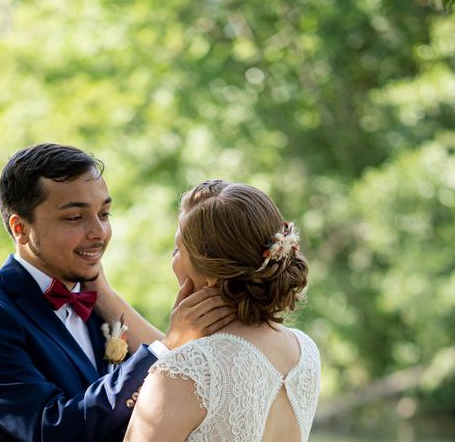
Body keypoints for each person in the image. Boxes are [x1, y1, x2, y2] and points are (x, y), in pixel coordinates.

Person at [0, 144, 236, 442]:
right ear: (20, 229)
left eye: (104, 213)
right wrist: (165, 346)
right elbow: (52, 428)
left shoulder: (100, 301)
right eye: (74, 218)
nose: (99, 232)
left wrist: (112, 303)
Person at [124, 180, 321, 442]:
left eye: (178, 250)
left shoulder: (181, 373)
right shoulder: (304, 351)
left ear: (211, 275)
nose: (173, 260)